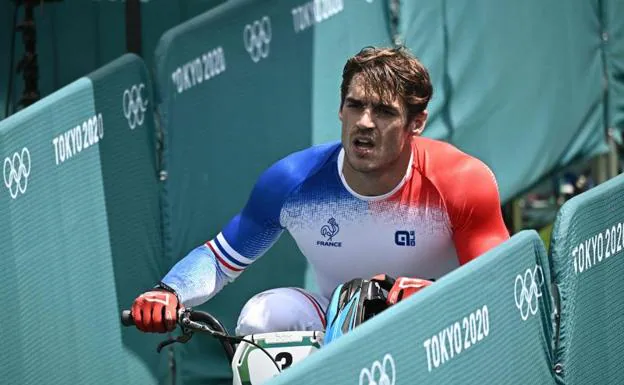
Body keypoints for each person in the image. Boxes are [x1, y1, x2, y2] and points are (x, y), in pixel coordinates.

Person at [130, 46, 510, 335]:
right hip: (336, 323)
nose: (365, 123)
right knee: (265, 318)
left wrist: (436, 297)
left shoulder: (459, 180)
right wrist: (170, 292)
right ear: (340, 110)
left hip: (444, 326)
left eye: (384, 112)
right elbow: (218, 259)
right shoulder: (292, 180)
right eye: (355, 105)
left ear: (416, 123)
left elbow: (501, 284)